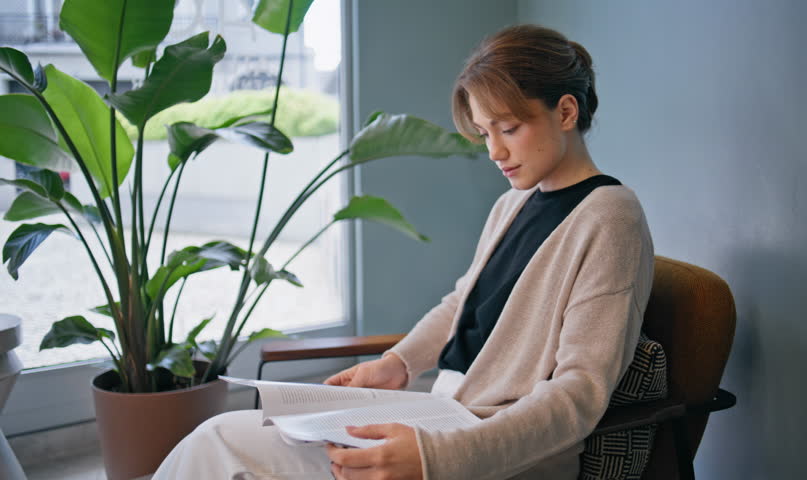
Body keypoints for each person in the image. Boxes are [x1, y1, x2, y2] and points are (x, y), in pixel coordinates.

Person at [152, 24, 654, 480]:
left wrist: (437, 458)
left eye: (508, 128)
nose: (494, 152)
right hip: (441, 413)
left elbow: (578, 395)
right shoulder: (513, 204)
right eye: (484, 133)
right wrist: (396, 364)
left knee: (219, 445)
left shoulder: (610, 217)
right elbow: (461, 304)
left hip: (494, 452)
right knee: (226, 441)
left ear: (565, 111)